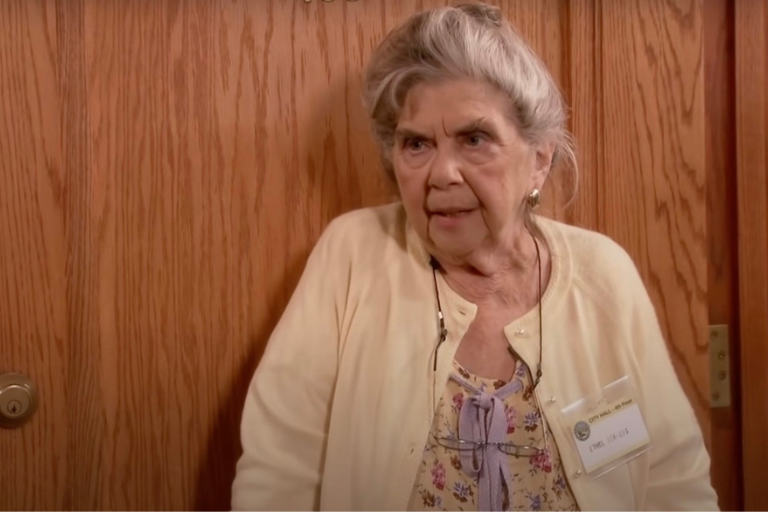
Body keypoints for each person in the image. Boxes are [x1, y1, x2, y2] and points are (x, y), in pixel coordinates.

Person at [231, 3, 719, 511]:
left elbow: (673, 484)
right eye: (416, 144)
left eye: (474, 139)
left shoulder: (604, 273)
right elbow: (277, 478)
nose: (442, 173)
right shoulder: (351, 256)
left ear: (540, 158)